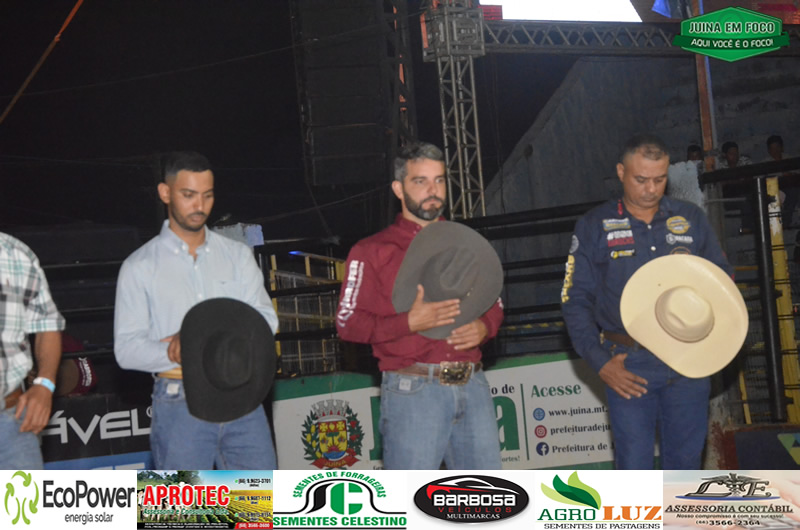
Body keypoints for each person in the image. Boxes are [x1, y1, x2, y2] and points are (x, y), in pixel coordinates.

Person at [561, 133, 732, 469]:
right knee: (634, 466)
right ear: (621, 172)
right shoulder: (594, 225)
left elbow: (722, 282)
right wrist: (601, 362)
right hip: (628, 362)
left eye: (659, 179)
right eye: (641, 179)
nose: (651, 189)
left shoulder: (691, 218)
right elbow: (574, 299)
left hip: (688, 359)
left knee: (685, 465)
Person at [335, 141, 504, 470]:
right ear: (398, 189)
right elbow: (347, 323)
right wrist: (409, 322)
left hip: (472, 383)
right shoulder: (371, 251)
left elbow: (493, 299)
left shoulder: (465, 241)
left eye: (439, 180)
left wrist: (485, 326)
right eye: (420, 181)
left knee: (487, 496)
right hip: (413, 388)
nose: (433, 190)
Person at [114, 151, 279, 469]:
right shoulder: (139, 265)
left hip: (242, 393)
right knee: (181, 502)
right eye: (188, 195)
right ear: (165, 192)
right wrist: (174, 350)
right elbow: (126, 350)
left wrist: (199, 338)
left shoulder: (236, 255)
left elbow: (267, 320)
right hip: (178, 399)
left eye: (207, 195)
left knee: (259, 500)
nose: (199, 205)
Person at [0, 232, 64, 469]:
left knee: (25, 501)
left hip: (13, 424)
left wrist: (45, 384)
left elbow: (47, 325)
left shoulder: (16, 254)